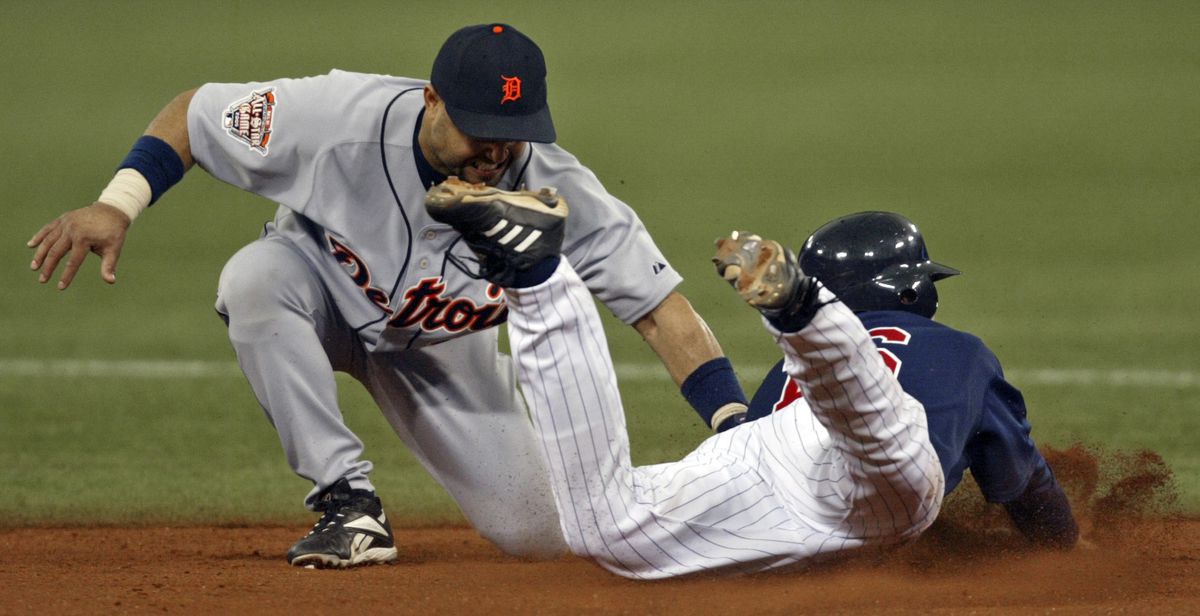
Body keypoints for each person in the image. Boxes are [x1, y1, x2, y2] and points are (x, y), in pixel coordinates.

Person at [25, 23, 751, 568]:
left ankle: (711, 514)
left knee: (541, 536)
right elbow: (194, 113)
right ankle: (348, 501)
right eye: (479, 131)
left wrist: (734, 425)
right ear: (431, 98)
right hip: (316, 298)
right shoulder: (337, 118)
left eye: (513, 133)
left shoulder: (555, 190)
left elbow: (661, 309)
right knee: (254, 279)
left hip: (441, 356)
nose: (495, 154)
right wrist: (117, 204)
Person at [425, 188, 948, 579]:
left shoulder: (785, 390)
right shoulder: (957, 351)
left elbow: (757, 434)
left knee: (606, 529)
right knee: (884, 447)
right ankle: (803, 312)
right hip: (852, 480)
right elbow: (1014, 475)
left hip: (772, 463)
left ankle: (535, 278)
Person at [743, 211, 1080, 549]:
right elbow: (1023, 483)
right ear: (907, 290)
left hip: (747, 521)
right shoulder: (960, 351)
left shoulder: (785, 368)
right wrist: (1064, 542)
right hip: (868, 526)